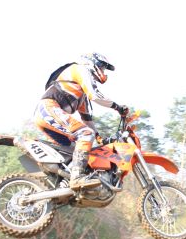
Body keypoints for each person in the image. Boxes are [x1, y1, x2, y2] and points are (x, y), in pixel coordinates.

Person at [33, 52, 129, 190]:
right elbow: (95, 96)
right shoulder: (80, 69)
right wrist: (118, 107)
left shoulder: (81, 95)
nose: (103, 72)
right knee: (85, 134)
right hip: (48, 109)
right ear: (92, 63)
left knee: (76, 150)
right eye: (102, 67)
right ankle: (77, 177)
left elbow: (87, 119)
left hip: (48, 114)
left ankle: (61, 183)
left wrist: (100, 139)